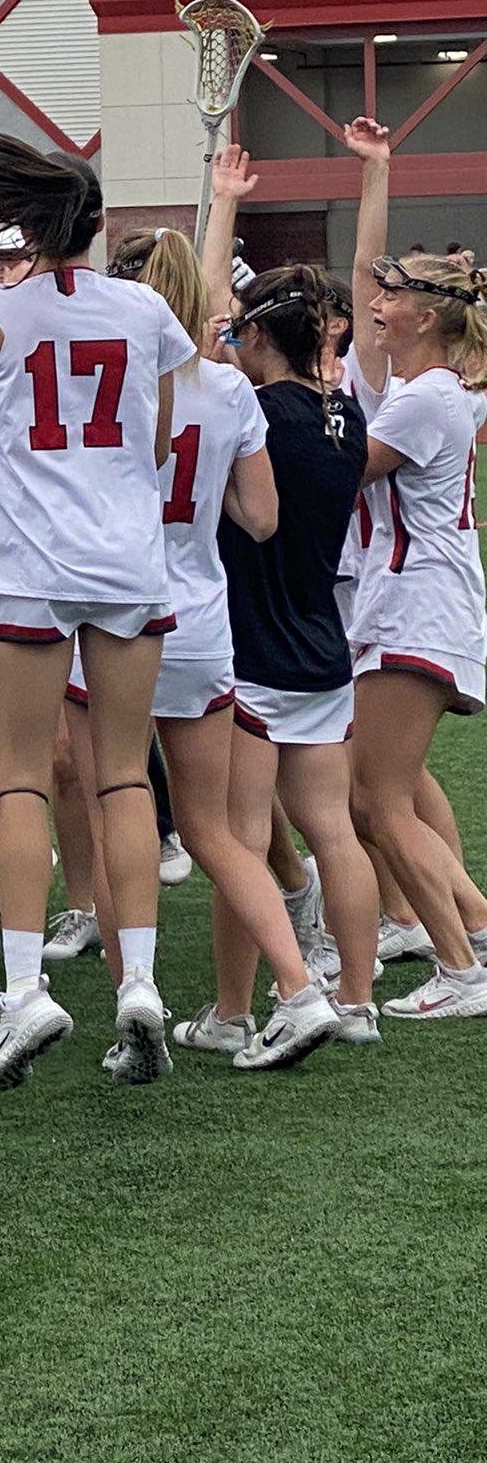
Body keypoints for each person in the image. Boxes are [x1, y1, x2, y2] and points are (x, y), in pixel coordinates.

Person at [0, 129, 195, 1091]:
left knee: (24, 782)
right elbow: (159, 441)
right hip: (126, 559)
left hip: (28, 562)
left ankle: (28, 989)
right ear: (95, 225)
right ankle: (142, 987)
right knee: (124, 779)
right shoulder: (149, 306)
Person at [105, 228, 342, 1068]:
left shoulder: (114, 379)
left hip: (119, 615)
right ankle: (299, 988)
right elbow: (263, 516)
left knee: (115, 803)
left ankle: (132, 996)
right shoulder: (233, 392)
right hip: (204, 621)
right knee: (213, 830)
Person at [216, 266, 380, 1031]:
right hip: (322, 643)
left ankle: (234, 1010)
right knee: (334, 830)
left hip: (253, 648)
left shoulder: (250, 416)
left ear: (257, 335)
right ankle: (356, 998)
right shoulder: (345, 417)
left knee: (240, 838)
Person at [343, 196, 487, 1018]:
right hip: (411, 599)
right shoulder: (430, 387)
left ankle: (462, 968)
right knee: (379, 796)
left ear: (426, 315)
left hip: (418, 600)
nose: (376, 302)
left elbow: (342, 473)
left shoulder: (427, 396)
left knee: (378, 802)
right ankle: (469, 925)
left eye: (391, 294)